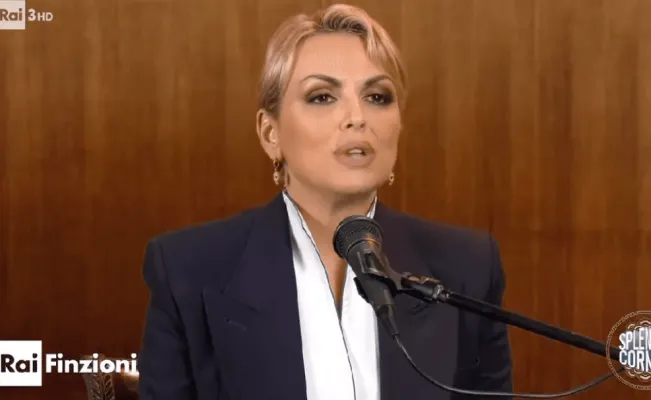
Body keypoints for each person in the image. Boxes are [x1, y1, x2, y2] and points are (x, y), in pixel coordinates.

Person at [137, 3, 513, 400]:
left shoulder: (466, 269)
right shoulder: (188, 271)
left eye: (377, 96)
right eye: (322, 97)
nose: (357, 117)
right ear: (270, 133)